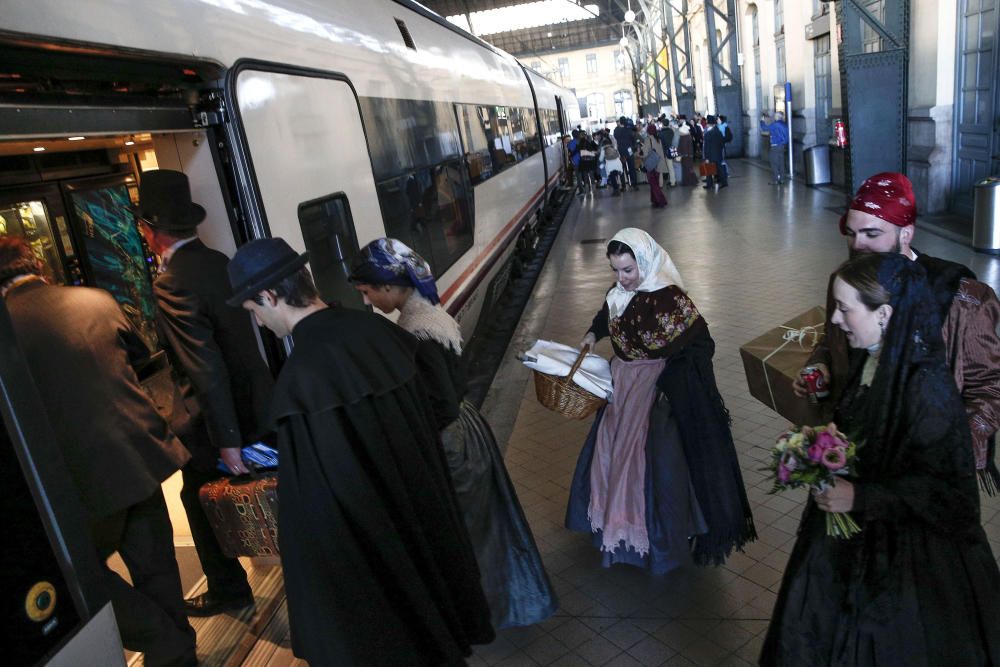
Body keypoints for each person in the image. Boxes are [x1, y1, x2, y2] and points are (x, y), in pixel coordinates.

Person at [227, 238, 493, 665]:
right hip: (424, 522)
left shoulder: (302, 377)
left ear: (270, 296)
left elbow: (317, 513)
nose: (258, 323)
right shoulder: (379, 330)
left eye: (254, 311)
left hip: (377, 559)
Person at [761, 252, 1000, 665]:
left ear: (885, 314)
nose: (834, 319)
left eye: (845, 309)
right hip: (854, 540)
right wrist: (824, 443)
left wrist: (860, 497)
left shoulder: (927, 389)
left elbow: (953, 498)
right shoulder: (871, 360)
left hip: (911, 563)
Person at [1, 237, 196, 667]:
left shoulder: (6, 328)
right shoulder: (96, 299)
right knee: (156, 565)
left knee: (82, 576)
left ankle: (166, 642)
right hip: (140, 452)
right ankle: (178, 656)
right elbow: (141, 357)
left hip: (80, 477)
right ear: (34, 263)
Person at [349, 238, 557, 629]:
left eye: (367, 292)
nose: (367, 300)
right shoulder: (429, 313)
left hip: (452, 443)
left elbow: (439, 404)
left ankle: (488, 609)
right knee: (486, 525)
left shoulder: (416, 332)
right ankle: (500, 602)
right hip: (466, 429)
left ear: (389, 286)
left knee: (469, 533)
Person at [566, 229, 756, 572]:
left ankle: (652, 536)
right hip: (622, 383)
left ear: (646, 262)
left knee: (639, 461)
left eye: (628, 270)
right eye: (616, 270)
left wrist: (671, 377)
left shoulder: (669, 299)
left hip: (654, 387)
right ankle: (618, 528)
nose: (621, 279)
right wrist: (593, 334)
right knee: (611, 451)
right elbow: (607, 313)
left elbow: (702, 343)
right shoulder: (620, 292)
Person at [797, 172, 1000, 493]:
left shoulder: (961, 299)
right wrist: (820, 364)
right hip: (854, 454)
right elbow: (831, 336)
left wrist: (950, 447)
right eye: (850, 233)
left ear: (906, 233)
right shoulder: (845, 280)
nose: (857, 245)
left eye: (871, 233)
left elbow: (990, 389)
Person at [135, 169, 274, 617]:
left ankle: (229, 588)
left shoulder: (171, 281)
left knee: (196, 496)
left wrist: (227, 440)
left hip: (217, 418)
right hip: (255, 399)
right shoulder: (217, 261)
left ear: (149, 232)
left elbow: (203, 366)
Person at [639, 122, 669, 208]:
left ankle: (661, 200)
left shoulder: (648, 139)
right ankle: (654, 200)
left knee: (653, 184)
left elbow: (645, 153)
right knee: (654, 183)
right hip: (658, 163)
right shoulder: (658, 139)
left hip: (651, 164)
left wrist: (640, 152)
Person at [760, 111, 789, 184]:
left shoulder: (775, 124)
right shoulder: (784, 124)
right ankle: (782, 179)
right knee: (781, 163)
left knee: (774, 162)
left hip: (775, 146)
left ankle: (776, 179)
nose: (774, 116)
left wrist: (762, 120)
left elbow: (764, 128)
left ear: (778, 117)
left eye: (775, 115)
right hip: (782, 146)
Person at [701, 115, 728, 191]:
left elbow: (706, 147)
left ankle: (709, 184)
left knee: (709, 170)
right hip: (718, 154)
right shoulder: (718, 131)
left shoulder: (707, 134)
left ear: (708, 124)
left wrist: (706, 157)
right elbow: (722, 143)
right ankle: (724, 182)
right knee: (720, 169)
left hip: (710, 155)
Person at [614, 116, 637, 191]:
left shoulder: (616, 130)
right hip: (629, 150)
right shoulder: (629, 130)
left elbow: (616, 138)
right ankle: (634, 184)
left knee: (622, 168)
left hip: (621, 151)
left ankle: (623, 186)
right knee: (632, 167)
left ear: (620, 122)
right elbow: (633, 139)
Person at [677, 122, 699, 186]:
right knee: (687, 169)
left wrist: (680, 153)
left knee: (688, 169)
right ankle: (687, 182)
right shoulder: (686, 137)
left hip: (686, 156)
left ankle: (692, 181)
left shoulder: (684, 137)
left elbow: (682, 146)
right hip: (687, 155)